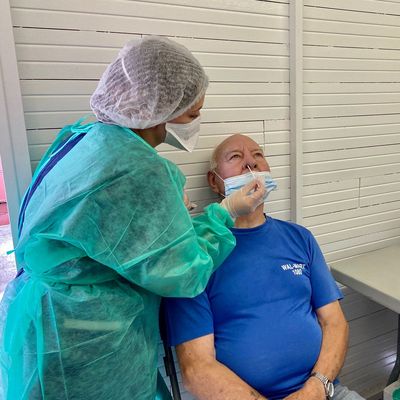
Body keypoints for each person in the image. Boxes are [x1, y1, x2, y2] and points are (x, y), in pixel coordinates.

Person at [0, 37, 265, 400]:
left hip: (44, 316)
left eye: (258, 155)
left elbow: (102, 230)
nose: (251, 165)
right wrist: (225, 212)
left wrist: (165, 218)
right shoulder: (139, 170)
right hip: (82, 341)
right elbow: (184, 273)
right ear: (157, 109)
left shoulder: (85, 138)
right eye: (191, 114)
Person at [163, 134, 365, 400]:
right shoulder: (196, 258)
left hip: (324, 391)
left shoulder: (299, 238)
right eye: (235, 157)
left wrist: (317, 387)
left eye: (258, 155)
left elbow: (335, 323)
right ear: (215, 181)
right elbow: (197, 369)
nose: (250, 164)